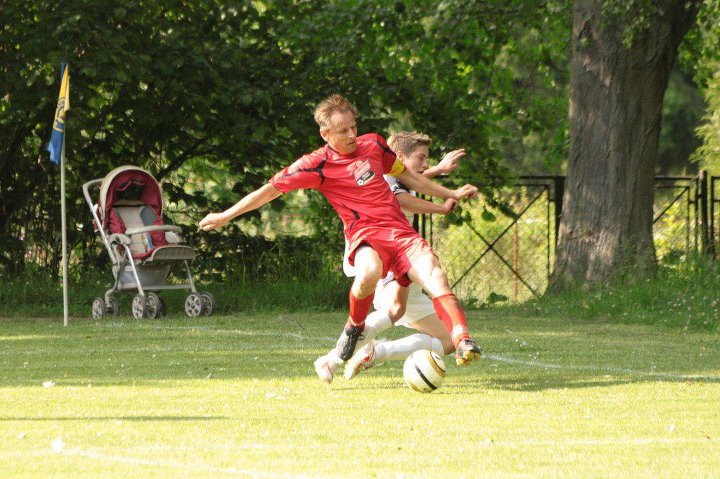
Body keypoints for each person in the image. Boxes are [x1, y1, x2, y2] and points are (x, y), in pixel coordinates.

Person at [199, 94, 482, 376]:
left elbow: (408, 176)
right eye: (343, 131)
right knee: (370, 273)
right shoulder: (316, 164)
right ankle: (354, 327)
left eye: (353, 127)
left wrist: (451, 193)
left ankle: (462, 340)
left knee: (433, 274)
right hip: (366, 234)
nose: (352, 135)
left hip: (401, 234)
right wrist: (225, 215)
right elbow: (270, 190)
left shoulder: (373, 144)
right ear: (325, 134)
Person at [313, 131, 473, 383]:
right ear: (398, 156)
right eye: (420, 158)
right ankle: (335, 358)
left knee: (427, 327)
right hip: (387, 252)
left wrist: (439, 172)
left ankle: (365, 353)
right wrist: (441, 207)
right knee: (394, 310)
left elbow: (411, 180)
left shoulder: (387, 174)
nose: (425, 164)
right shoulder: (386, 175)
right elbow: (400, 198)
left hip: (396, 250)